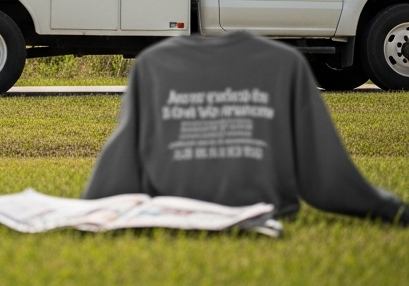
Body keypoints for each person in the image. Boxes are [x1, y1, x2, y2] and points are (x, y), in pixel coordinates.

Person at [82, 32, 407, 224]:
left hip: (173, 215)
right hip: (265, 213)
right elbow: (325, 178)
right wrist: (391, 209)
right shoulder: (285, 63)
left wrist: (84, 213)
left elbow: (116, 180)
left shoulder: (152, 64)